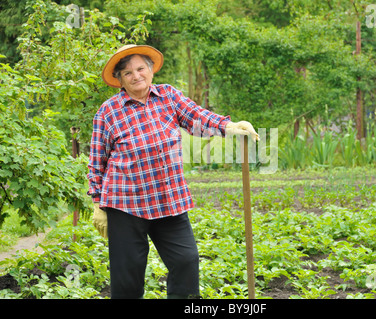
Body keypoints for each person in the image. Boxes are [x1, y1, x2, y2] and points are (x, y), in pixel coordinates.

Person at [87, 44, 259, 299]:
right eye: (127, 73)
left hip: (168, 199)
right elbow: (97, 159)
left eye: (140, 68)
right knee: (128, 277)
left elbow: (197, 118)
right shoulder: (108, 111)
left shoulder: (168, 96)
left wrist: (229, 126)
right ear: (120, 80)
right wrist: (97, 204)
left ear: (151, 69)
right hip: (125, 204)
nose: (136, 76)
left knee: (186, 261)